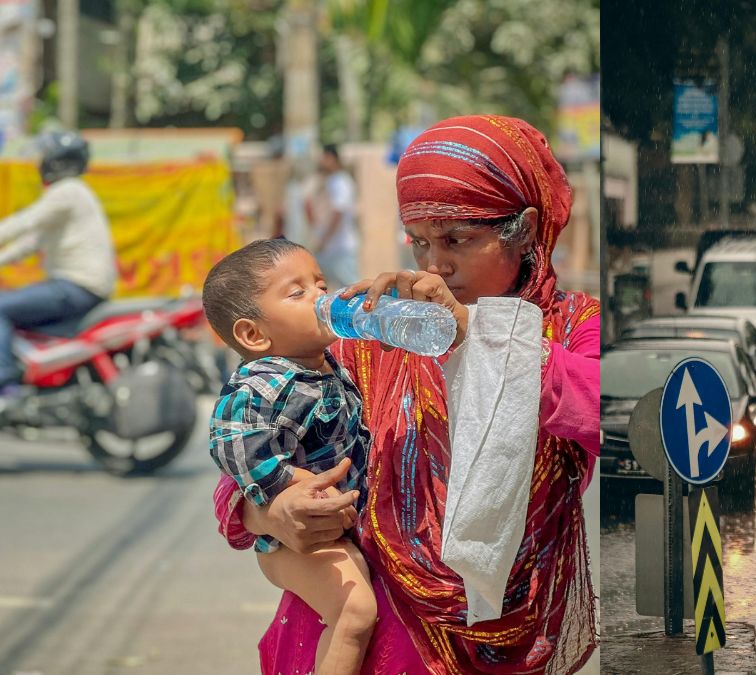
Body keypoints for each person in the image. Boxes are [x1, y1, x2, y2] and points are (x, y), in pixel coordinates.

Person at [212, 114, 599, 674]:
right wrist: (269, 511)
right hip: (369, 641)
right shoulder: (377, 334)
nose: (434, 265)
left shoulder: (572, 328)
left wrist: (478, 339)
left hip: (507, 636)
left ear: (526, 229)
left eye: (456, 240)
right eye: (418, 242)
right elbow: (244, 461)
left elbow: (598, 413)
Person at [203, 239, 404, 675]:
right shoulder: (262, 383)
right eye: (298, 293)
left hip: (338, 526)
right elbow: (232, 441)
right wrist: (284, 490)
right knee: (354, 612)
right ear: (253, 334)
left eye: (319, 284)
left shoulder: (325, 362)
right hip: (296, 540)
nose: (319, 297)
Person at [0, 131, 116, 394]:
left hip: (75, 286)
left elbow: (24, 223)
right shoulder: (73, 195)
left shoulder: (69, 191)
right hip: (78, 287)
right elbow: (29, 243)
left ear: (57, 161)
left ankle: (5, 386)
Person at [309, 144, 360, 289]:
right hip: (329, 249)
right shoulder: (331, 180)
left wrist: (325, 239)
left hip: (340, 248)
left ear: (331, 158)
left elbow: (339, 213)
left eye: (324, 157)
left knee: (353, 290)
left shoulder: (341, 182)